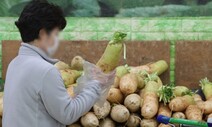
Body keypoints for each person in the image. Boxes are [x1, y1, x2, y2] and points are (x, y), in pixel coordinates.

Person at [3, 0, 114, 127]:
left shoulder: (15, 64)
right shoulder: (45, 71)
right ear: (43, 33)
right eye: (56, 34)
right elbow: (68, 114)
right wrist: (96, 84)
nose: (58, 41)